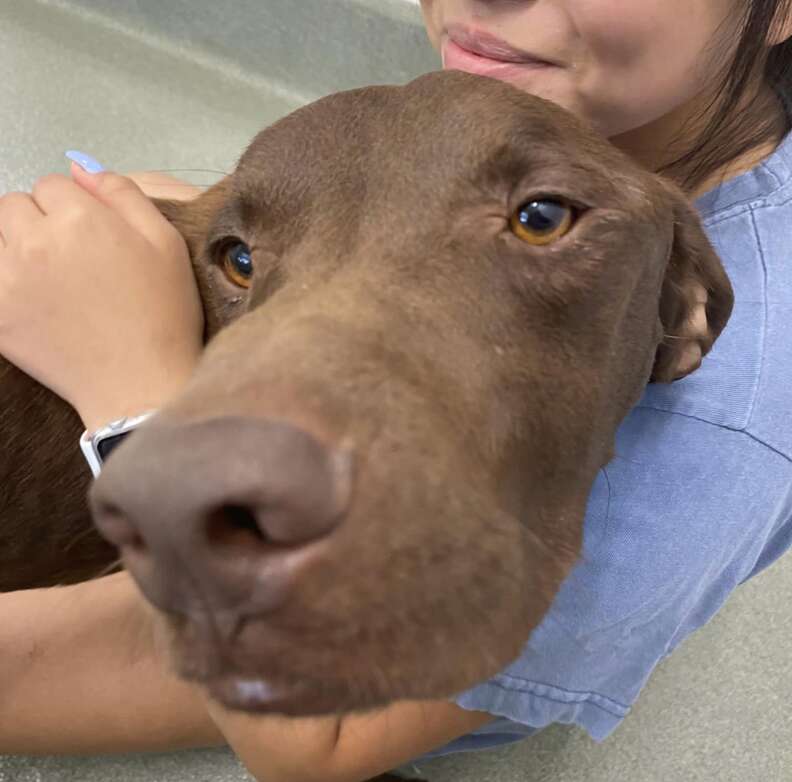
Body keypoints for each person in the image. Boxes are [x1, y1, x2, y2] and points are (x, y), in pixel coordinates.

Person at [1, 1, 791, 780]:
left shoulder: (720, 430)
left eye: (543, 218)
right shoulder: (643, 109)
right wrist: (223, 240)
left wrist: (131, 397)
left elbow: (320, 742)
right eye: (242, 261)